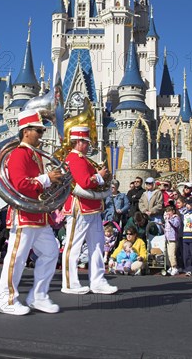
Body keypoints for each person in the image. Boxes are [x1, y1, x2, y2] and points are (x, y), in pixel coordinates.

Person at [0, 109, 63, 315]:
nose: (42, 135)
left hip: (38, 214)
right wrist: (47, 179)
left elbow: (38, 184)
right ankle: (6, 300)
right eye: (39, 131)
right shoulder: (18, 153)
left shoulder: (35, 155)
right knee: (16, 258)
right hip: (23, 214)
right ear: (26, 131)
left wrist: (51, 183)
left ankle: (38, 296)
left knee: (51, 252)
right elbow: (20, 184)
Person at [61, 125, 118, 295]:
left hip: (91, 208)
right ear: (78, 142)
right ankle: (70, 283)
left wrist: (101, 177)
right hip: (79, 207)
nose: (88, 145)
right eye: (86, 142)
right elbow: (85, 182)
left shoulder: (82, 159)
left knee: (98, 245)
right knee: (74, 246)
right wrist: (100, 175)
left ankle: (98, 280)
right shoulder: (75, 158)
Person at [163, 205, 181, 276]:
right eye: (167, 212)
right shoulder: (167, 219)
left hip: (173, 239)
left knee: (172, 254)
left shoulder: (176, 218)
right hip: (167, 239)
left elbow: (176, 225)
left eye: (169, 211)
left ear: (173, 211)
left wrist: (169, 220)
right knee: (168, 254)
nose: (168, 213)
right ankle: (171, 266)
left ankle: (174, 267)